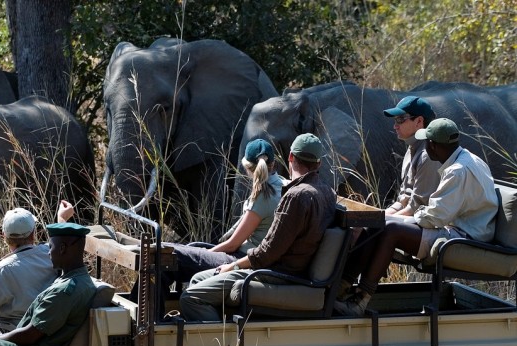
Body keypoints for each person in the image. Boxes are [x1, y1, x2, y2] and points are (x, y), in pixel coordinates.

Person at [335, 118, 498, 316]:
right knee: (381, 224)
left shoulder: (457, 172)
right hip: (466, 228)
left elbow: (435, 217)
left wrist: (406, 217)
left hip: (465, 237)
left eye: (427, 142)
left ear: (434, 145)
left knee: (391, 231)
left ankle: (359, 301)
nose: (425, 147)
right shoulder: (468, 158)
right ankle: (343, 286)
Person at [179, 133, 337, 322]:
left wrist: (233, 265)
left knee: (191, 298)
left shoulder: (296, 197)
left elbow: (267, 253)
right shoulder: (328, 192)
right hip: (288, 270)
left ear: (291, 157)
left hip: (277, 273)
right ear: (318, 164)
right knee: (197, 280)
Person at [167, 138, 285, 279]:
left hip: (242, 261)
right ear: (273, 164)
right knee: (174, 253)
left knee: (170, 255)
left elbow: (232, 245)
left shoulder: (264, 196)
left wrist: (208, 254)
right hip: (248, 258)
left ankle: (139, 300)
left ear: (247, 168)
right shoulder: (282, 185)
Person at [0, 201, 75, 334]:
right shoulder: (51, 254)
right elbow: (59, 242)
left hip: (14, 336)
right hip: (48, 332)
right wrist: (62, 219)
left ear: (4, 236)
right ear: (34, 234)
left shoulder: (2, 270)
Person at [382, 96, 442, 216]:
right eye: (395, 120)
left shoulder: (428, 155)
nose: (395, 126)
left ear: (419, 121)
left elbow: (419, 208)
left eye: (400, 119)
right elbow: (403, 200)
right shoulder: (412, 148)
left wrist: (379, 222)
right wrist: (377, 216)